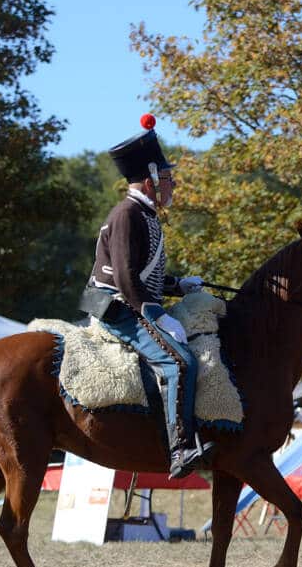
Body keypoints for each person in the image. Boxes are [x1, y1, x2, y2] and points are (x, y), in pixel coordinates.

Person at [81, 114, 212, 479]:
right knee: (179, 362)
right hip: (115, 308)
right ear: (152, 178)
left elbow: (141, 272)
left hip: (130, 300)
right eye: (168, 178)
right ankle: (181, 448)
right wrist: (159, 316)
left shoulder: (143, 213)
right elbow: (124, 278)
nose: (173, 184)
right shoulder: (127, 214)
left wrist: (177, 285)